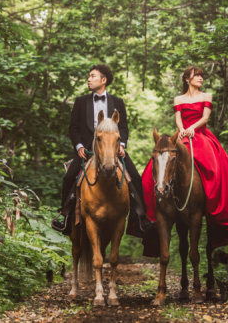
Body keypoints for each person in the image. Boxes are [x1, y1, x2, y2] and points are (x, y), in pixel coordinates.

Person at [142, 65, 228, 255]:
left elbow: (205, 118)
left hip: (200, 135)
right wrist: (181, 130)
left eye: (201, 76)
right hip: (182, 136)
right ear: (187, 79)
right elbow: (178, 119)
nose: (200, 78)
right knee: (155, 165)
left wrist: (192, 128)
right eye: (196, 76)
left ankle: (212, 202)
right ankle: (149, 215)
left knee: (215, 165)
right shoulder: (179, 99)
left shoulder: (206, 96)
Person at [51, 64, 153, 237]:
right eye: (89, 76)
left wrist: (122, 145)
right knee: (69, 177)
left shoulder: (118, 102)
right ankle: (65, 216)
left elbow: (124, 128)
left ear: (103, 80)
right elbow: (73, 129)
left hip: (112, 150)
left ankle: (140, 219)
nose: (88, 79)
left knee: (135, 177)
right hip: (87, 152)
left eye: (92, 76)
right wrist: (79, 147)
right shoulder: (81, 101)